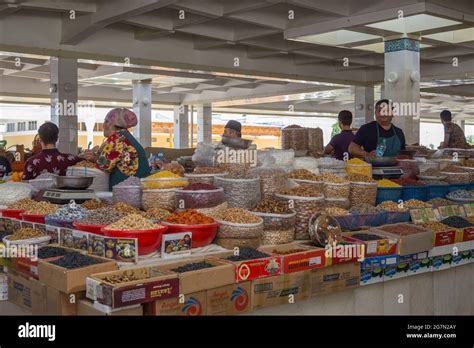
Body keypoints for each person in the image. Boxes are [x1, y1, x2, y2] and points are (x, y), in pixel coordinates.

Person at [84, 108, 150, 189]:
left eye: (105, 121)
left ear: (110, 124)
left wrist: (93, 158)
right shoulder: (125, 136)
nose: (103, 126)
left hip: (127, 190)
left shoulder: (117, 139)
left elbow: (105, 165)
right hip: (138, 186)